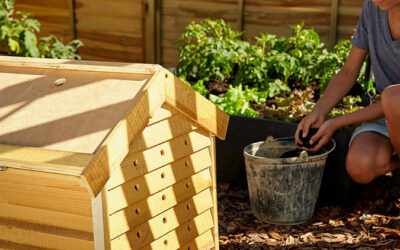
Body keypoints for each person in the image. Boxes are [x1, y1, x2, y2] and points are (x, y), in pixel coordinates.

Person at [295, 0, 400, 184]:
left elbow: (393, 100)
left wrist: (336, 123)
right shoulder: (372, 8)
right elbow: (349, 71)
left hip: (394, 104)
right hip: (389, 114)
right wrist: (318, 112)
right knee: (359, 166)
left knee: (393, 99)